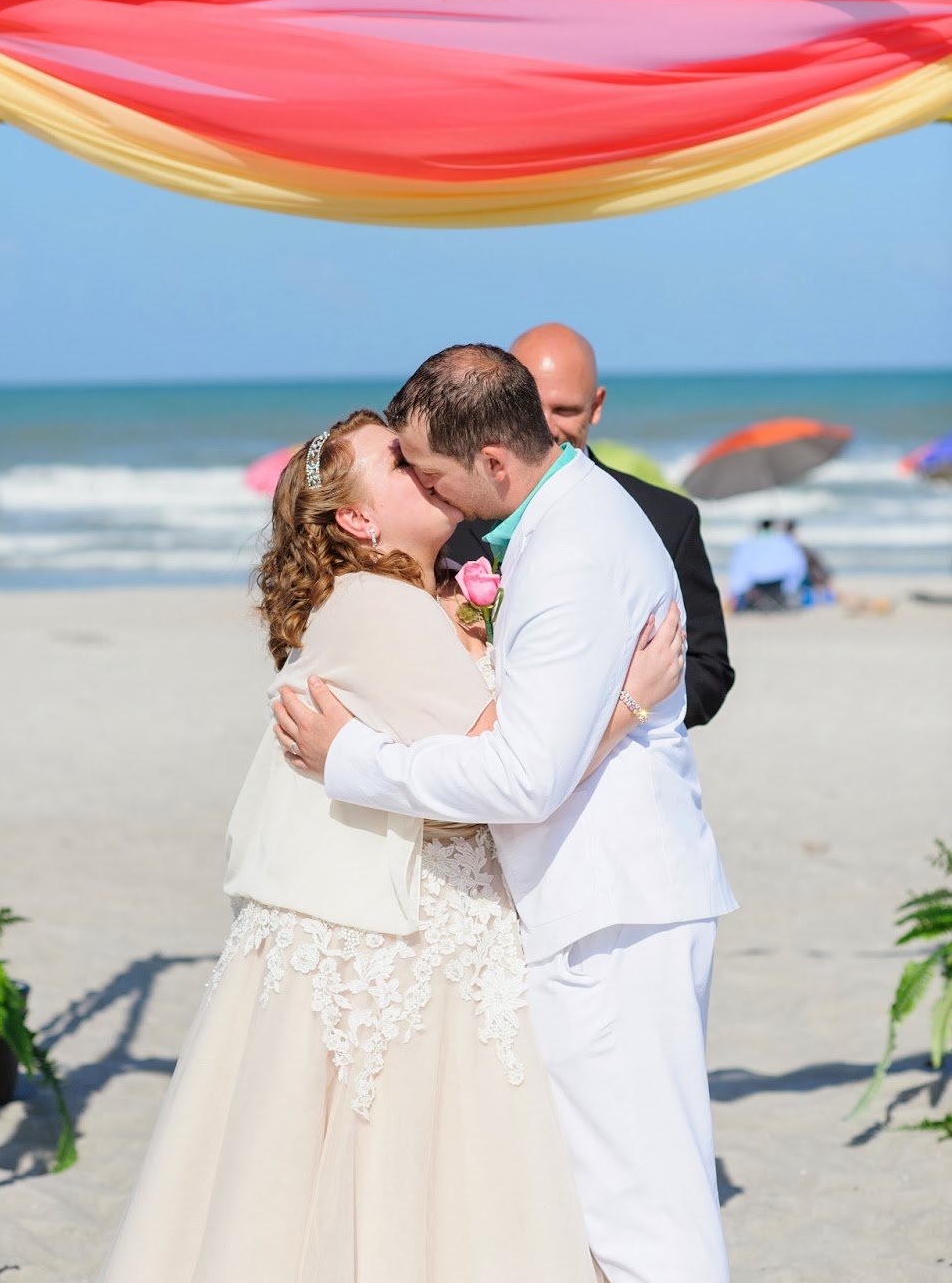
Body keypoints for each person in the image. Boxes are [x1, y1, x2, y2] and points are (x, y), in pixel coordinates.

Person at [100, 407, 684, 1283]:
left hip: (420, 918)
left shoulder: (418, 598)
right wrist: (627, 704)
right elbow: (502, 767)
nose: (420, 463)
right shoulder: (375, 606)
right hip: (398, 940)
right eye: (397, 461)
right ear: (356, 518)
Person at [276, 348, 738, 1283]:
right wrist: (624, 706)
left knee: (643, 1221)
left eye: (428, 468)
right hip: (605, 900)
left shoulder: (569, 552)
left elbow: (526, 778)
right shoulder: (561, 522)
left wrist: (350, 761)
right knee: (619, 1208)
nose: (425, 486)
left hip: (608, 909)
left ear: (491, 460)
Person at [446, 322, 734, 728]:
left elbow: (709, 669)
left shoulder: (667, 517)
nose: (545, 426)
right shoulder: (452, 513)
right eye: (530, 406)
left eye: (565, 410)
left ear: (596, 406)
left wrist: (627, 710)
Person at [727, 518, 808, 611]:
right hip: (778, 582)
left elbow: (738, 568)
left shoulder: (746, 543)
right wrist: (791, 586)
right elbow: (797, 566)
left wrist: (738, 590)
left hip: (757, 583)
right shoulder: (784, 541)